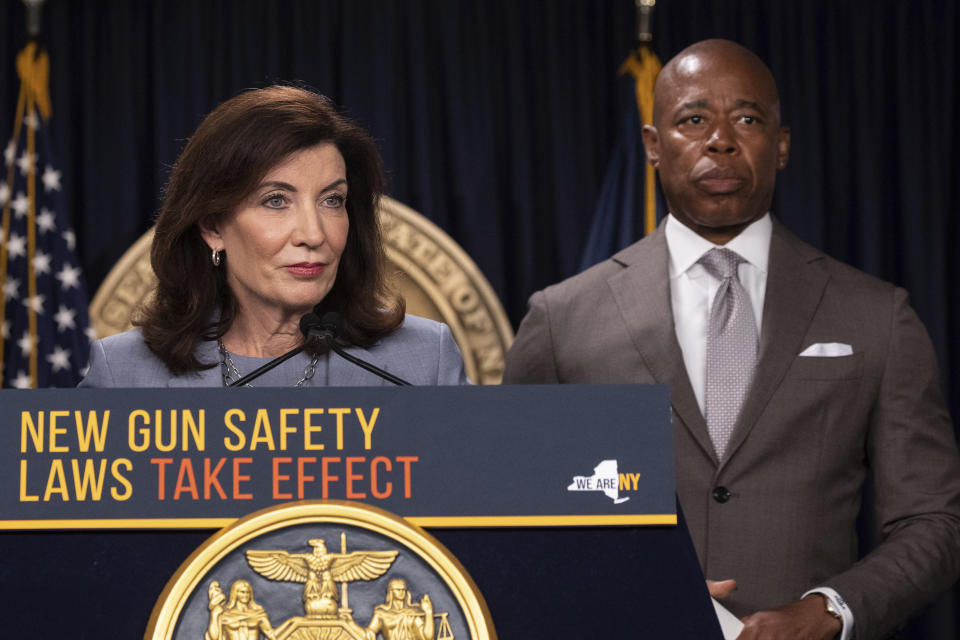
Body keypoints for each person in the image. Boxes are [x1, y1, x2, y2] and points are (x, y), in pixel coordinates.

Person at [503, 39, 960, 639]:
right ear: (652, 145)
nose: (720, 139)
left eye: (747, 119)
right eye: (693, 120)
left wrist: (829, 609)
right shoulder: (562, 318)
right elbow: (507, 519)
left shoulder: (877, 315)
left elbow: (934, 521)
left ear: (783, 144)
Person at [79, 86, 468, 388]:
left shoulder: (422, 361)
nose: (314, 234)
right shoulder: (124, 372)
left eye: (332, 200)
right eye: (276, 200)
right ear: (213, 227)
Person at [206, 579, 276, 640]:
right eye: (242, 592)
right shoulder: (226, 615)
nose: (246, 595)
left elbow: (270, 634)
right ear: (235, 593)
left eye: (248, 592)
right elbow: (214, 637)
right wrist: (214, 614)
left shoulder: (258, 614)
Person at [365, 578, 434, 640]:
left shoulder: (413, 613)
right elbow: (369, 634)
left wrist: (428, 613)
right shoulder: (381, 614)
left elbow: (427, 637)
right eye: (398, 590)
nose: (401, 592)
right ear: (391, 591)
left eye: (403, 590)